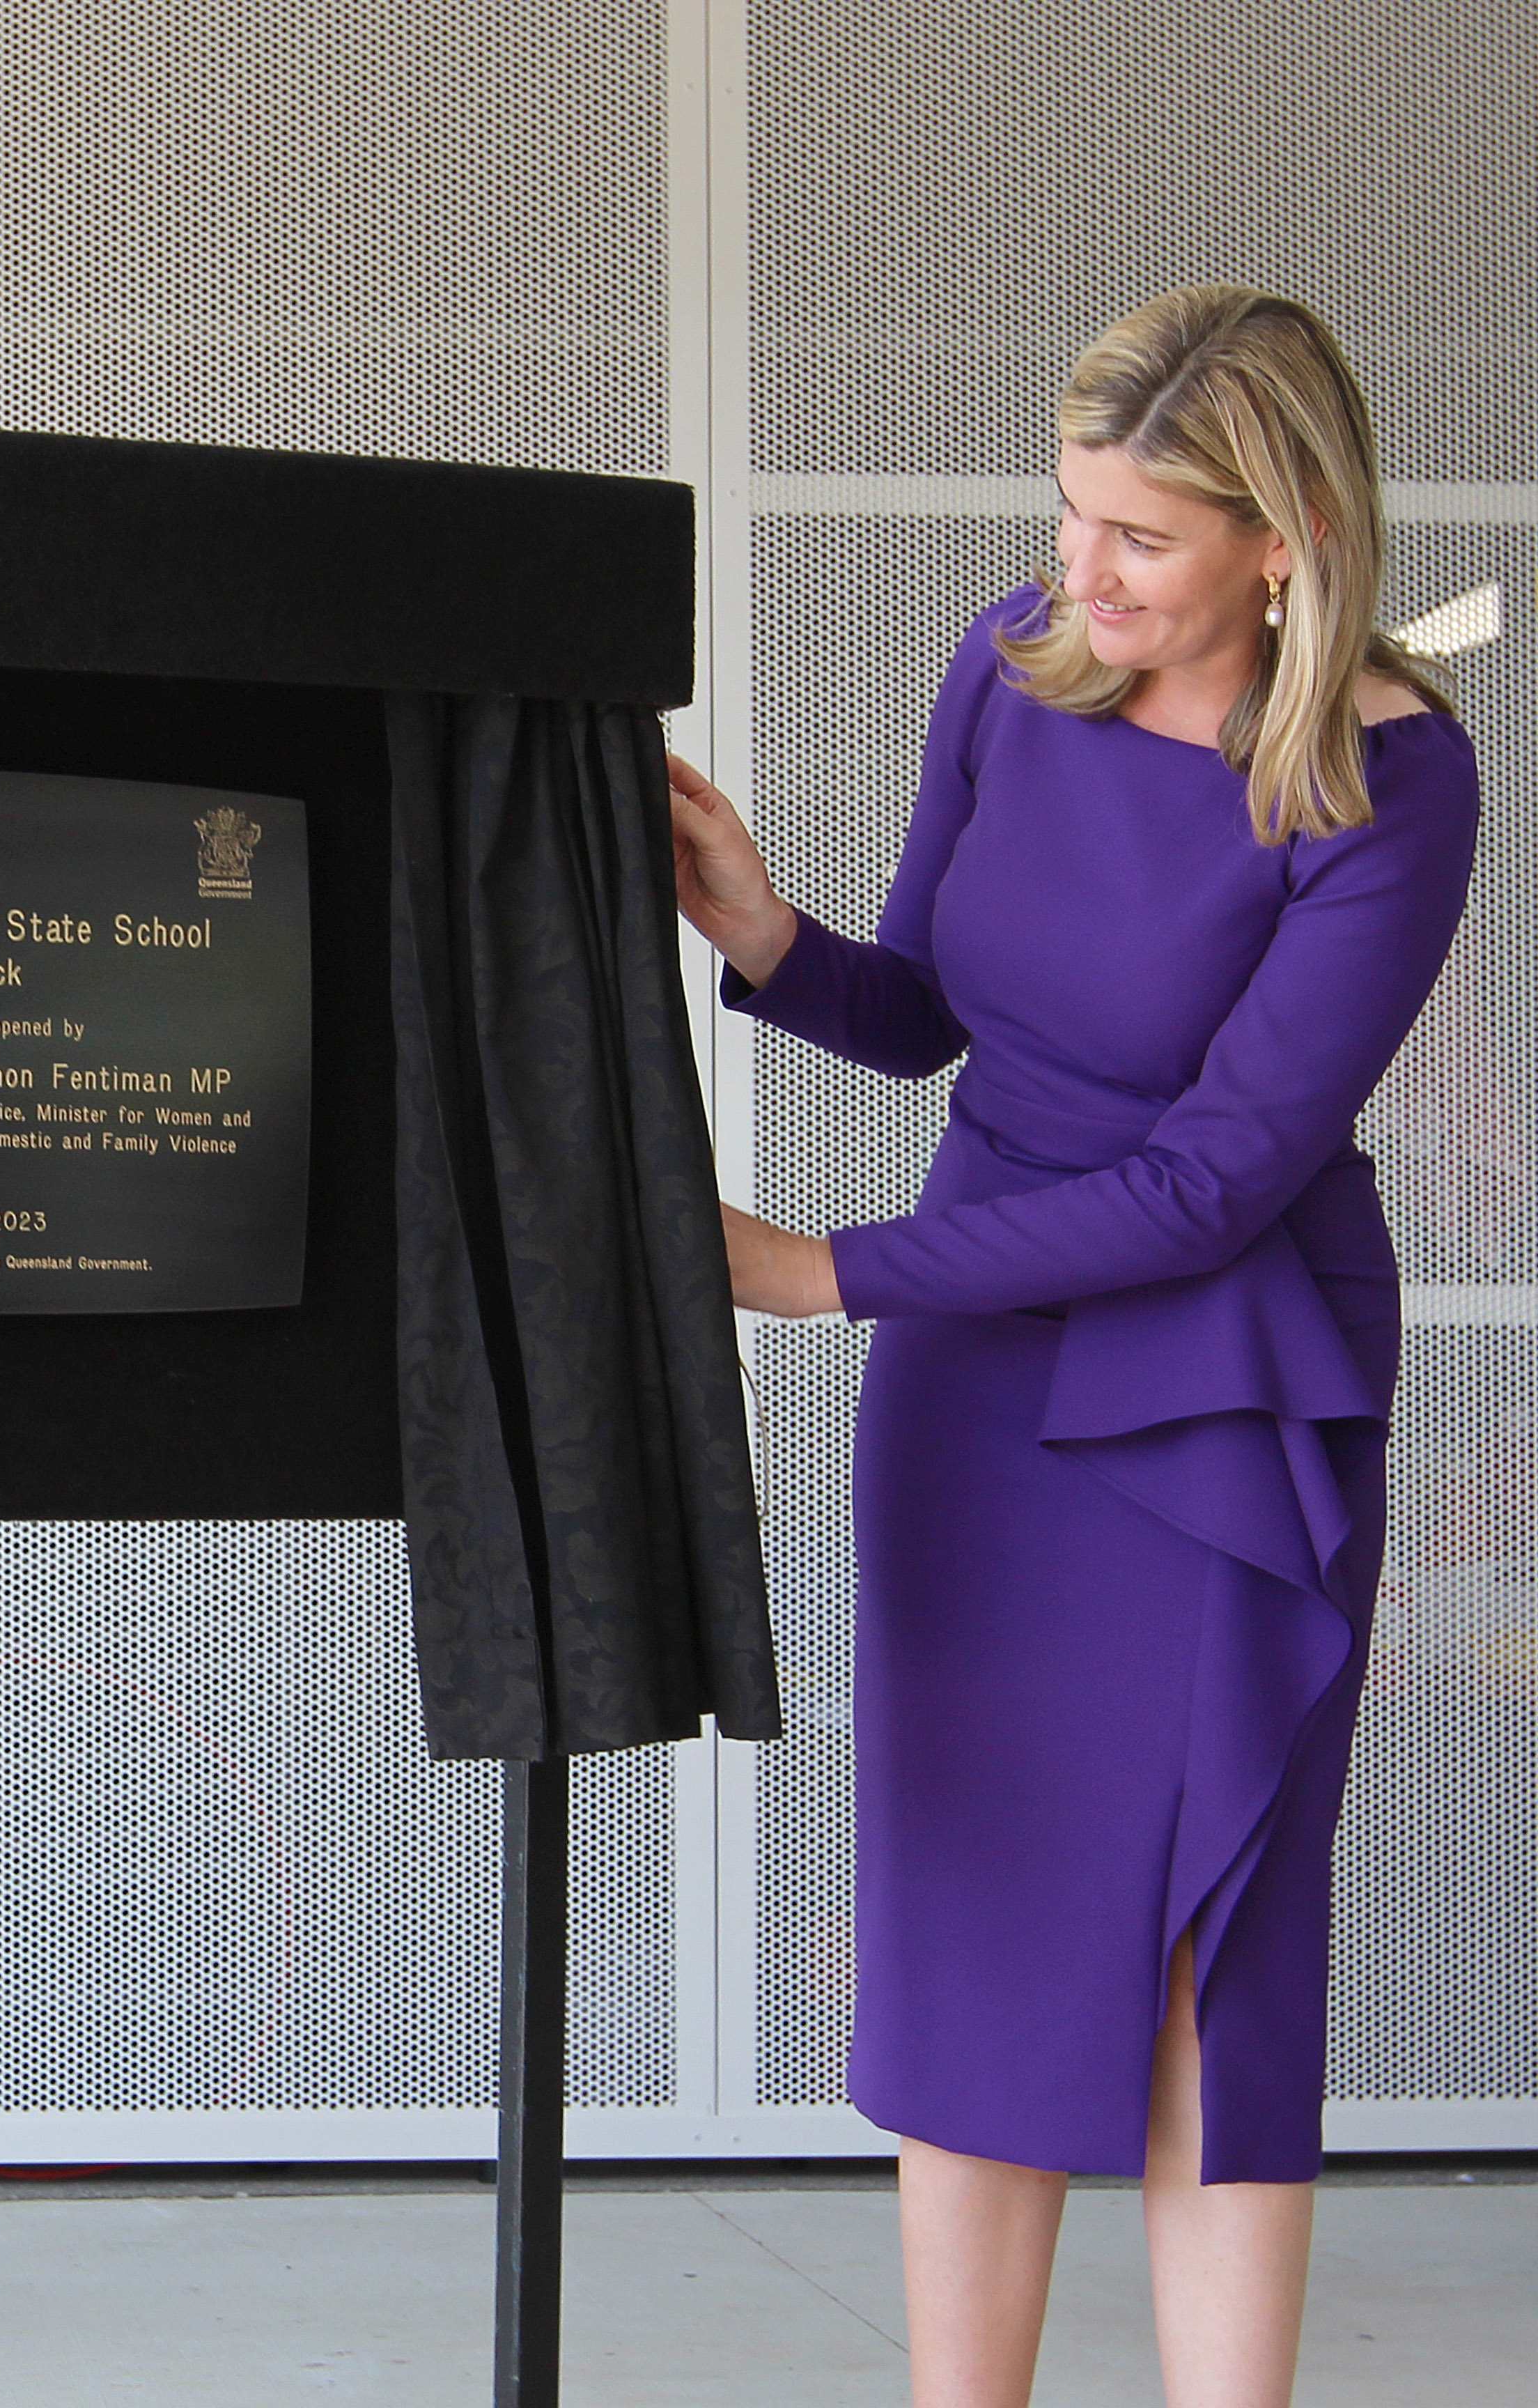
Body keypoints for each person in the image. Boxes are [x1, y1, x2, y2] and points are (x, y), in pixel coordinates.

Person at [676, 289, 1477, 2408]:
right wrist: (765, 934)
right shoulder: (1006, 667)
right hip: (977, 1379)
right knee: (977, 1919)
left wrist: (816, 1274)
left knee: (1220, 1941)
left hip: (1225, 1389)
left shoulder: (1395, 782)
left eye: (1140, 537)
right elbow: (935, 1009)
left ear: (1286, 537)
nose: (1080, 575)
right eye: (1069, 516)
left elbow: (1215, 1186)